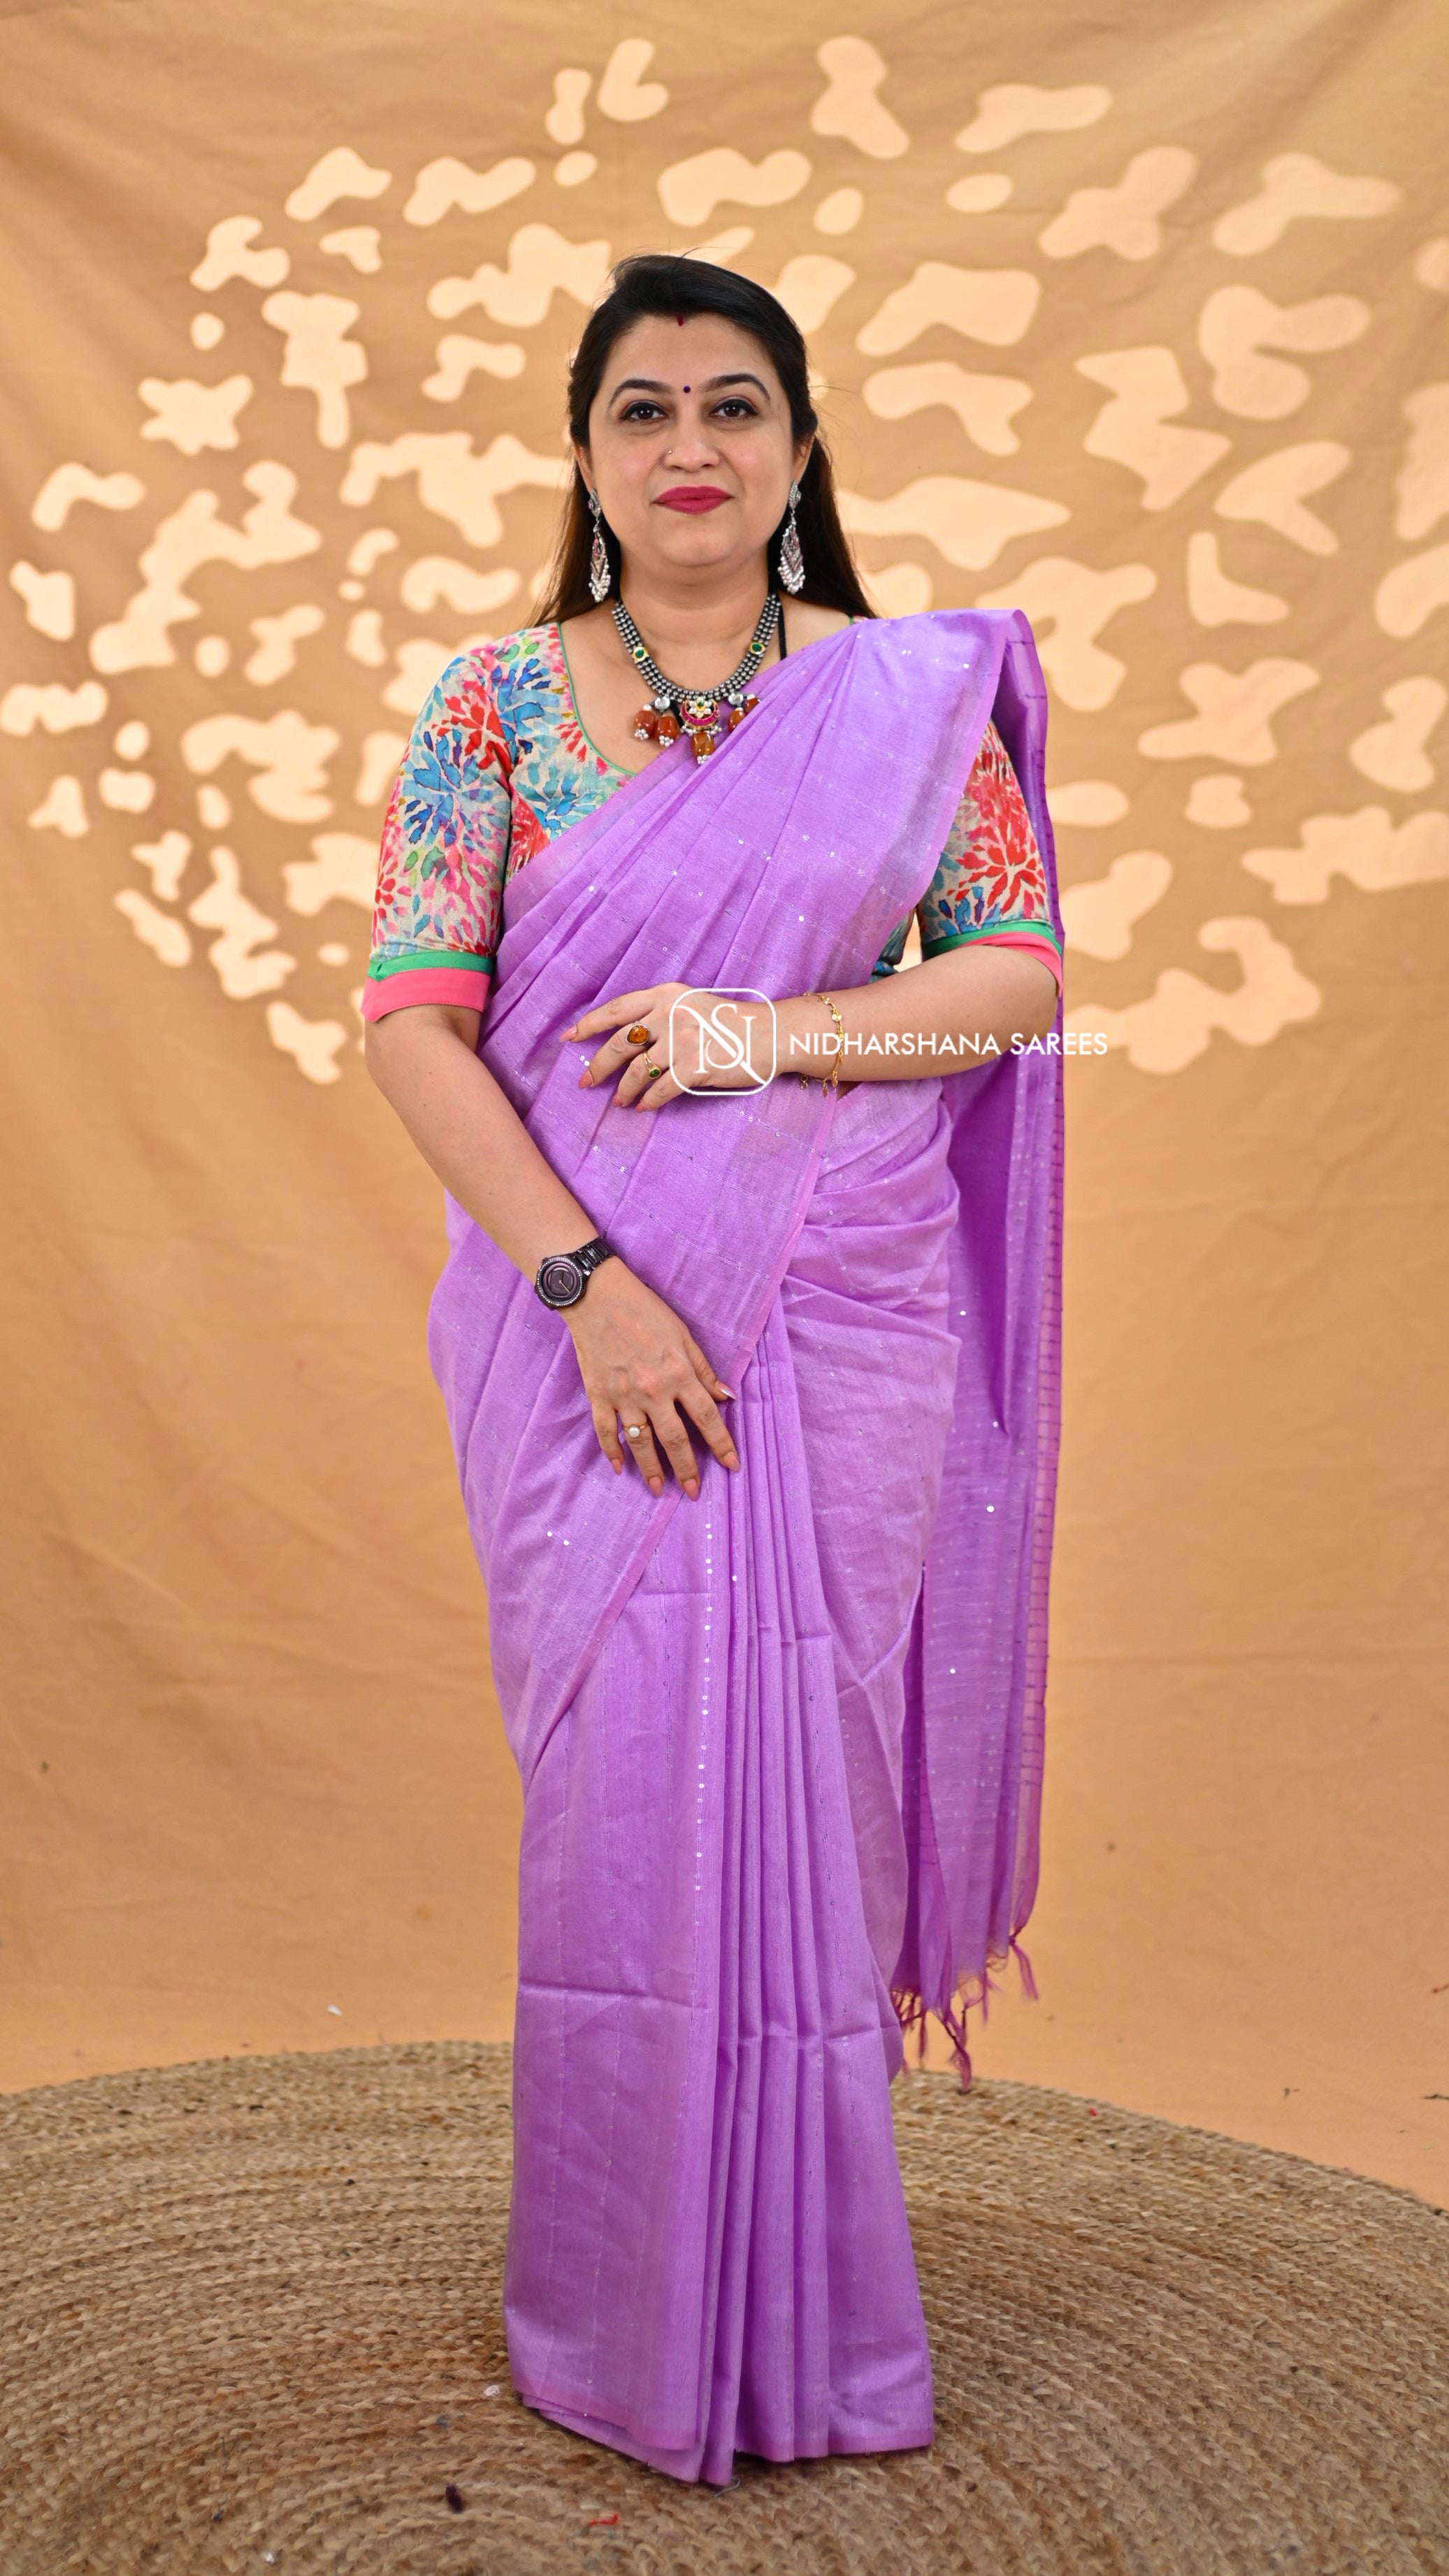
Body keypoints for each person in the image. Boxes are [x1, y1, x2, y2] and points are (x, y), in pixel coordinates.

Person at [363, 253, 1065, 2488]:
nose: (690, 444)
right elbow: (412, 1018)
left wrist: (768, 1034)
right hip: (583, 1331)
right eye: (644, 407)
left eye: (734, 404)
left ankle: (814, 2327)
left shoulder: (905, 696)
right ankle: (623, 2316)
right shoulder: (491, 705)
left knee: (808, 1790)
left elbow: (1015, 978)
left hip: (841, 1308)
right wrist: (592, 1287)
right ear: (585, 457)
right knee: (624, 1808)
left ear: (798, 449)